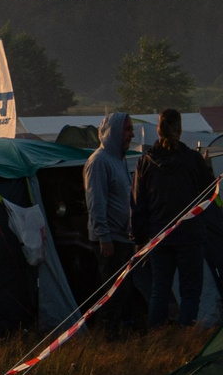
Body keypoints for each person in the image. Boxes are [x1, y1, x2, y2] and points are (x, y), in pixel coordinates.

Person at [132, 108, 217, 325]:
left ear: (158, 130)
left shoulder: (145, 163)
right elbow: (209, 195)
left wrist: (139, 240)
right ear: (179, 129)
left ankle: (157, 339)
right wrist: (208, 169)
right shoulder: (193, 160)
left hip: (159, 237)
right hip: (190, 237)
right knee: (190, 293)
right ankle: (184, 339)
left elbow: (138, 205)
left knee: (159, 290)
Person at [86, 111, 136, 323]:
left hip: (123, 237)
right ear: (114, 131)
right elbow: (96, 202)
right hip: (109, 240)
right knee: (113, 291)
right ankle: (107, 334)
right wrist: (104, 237)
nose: (131, 135)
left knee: (123, 290)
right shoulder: (99, 162)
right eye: (127, 129)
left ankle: (116, 331)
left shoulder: (119, 160)